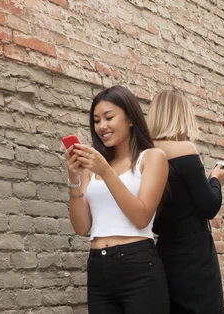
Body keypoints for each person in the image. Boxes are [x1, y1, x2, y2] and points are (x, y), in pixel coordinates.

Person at [64, 86, 170, 314]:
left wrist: (105, 170)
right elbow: (82, 227)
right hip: (98, 266)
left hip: (138, 265)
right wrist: (74, 176)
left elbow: (141, 217)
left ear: (130, 119)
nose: (102, 126)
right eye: (96, 120)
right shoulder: (93, 168)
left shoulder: (151, 157)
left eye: (109, 117)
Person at [147, 90, 224, 314]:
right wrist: (215, 180)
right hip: (194, 256)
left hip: (164, 252)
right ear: (181, 117)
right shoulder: (185, 150)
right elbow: (209, 206)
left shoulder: (145, 154)